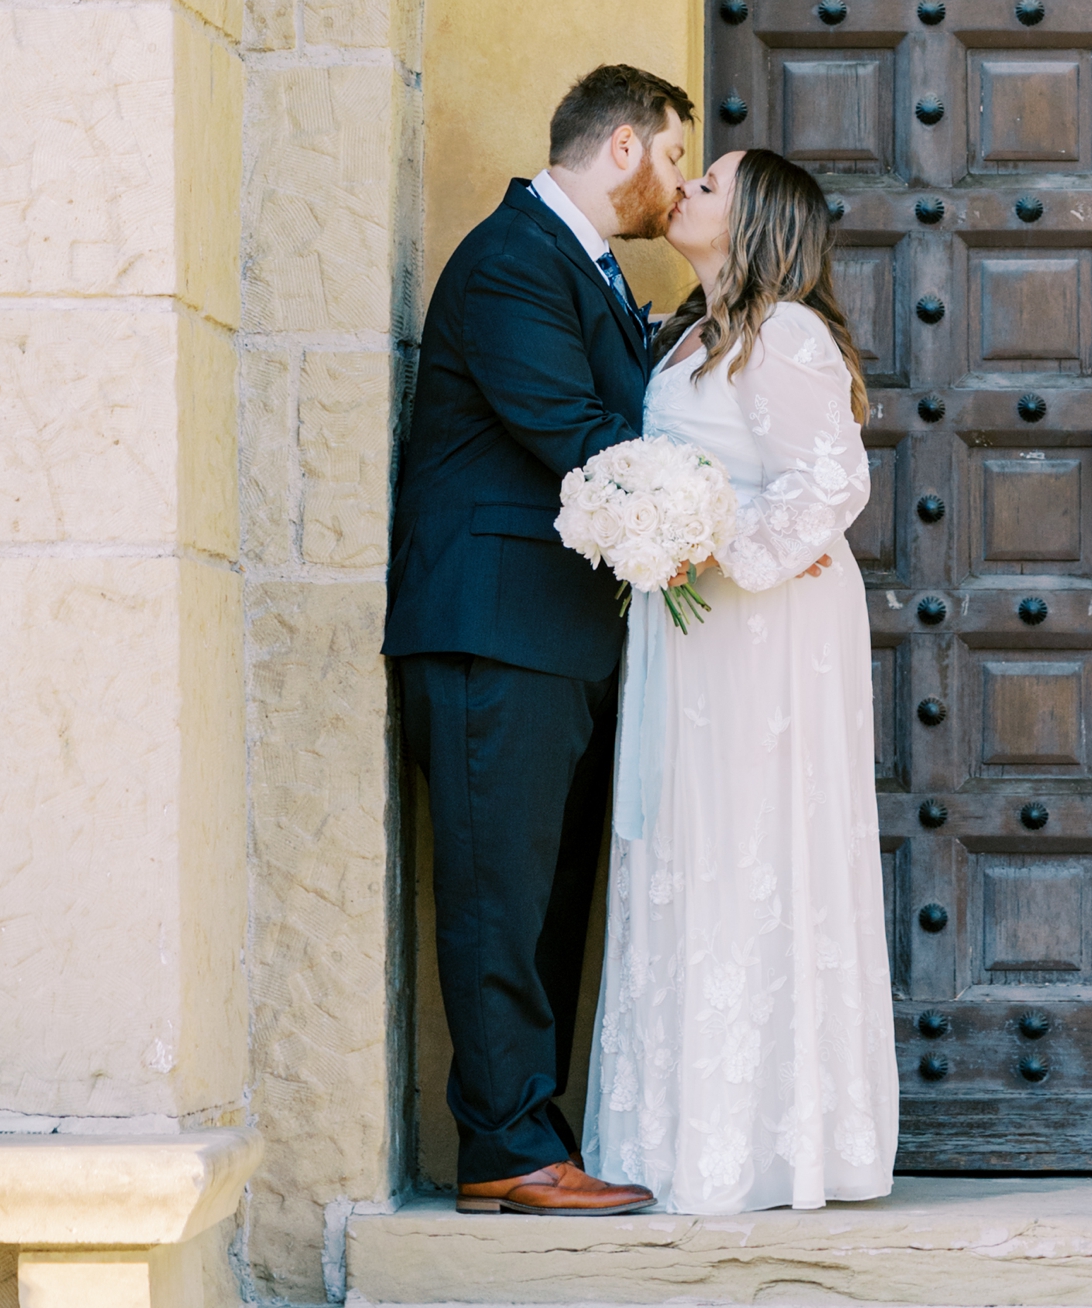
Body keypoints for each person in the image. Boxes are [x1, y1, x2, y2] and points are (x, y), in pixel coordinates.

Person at [385, 60, 692, 1216]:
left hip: (556, 640)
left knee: (548, 899)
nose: (674, 181)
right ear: (624, 146)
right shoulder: (517, 259)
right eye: (672, 155)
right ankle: (505, 1150)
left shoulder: (589, 267)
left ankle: (532, 1138)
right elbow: (578, 432)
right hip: (492, 632)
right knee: (494, 901)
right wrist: (713, 502)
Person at [586, 145, 899, 1214]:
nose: (687, 192)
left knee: (755, 841)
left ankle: (773, 1141)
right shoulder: (687, 342)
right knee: (688, 841)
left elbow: (833, 480)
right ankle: (682, 1129)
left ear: (755, 220)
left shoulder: (788, 335)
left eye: (709, 184)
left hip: (769, 634)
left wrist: (717, 540)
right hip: (693, 635)